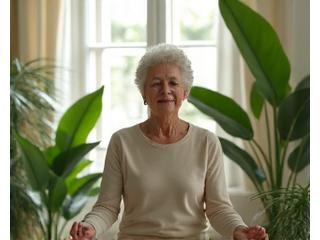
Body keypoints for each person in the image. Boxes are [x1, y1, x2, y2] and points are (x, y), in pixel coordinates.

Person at [69, 43, 268, 240]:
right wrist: (90, 226)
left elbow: (219, 208)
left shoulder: (206, 142)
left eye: (173, 83)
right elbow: (107, 207)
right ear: (143, 93)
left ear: (185, 92)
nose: (165, 90)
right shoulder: (122, 142)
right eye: (156, 83)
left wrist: (239, 229)